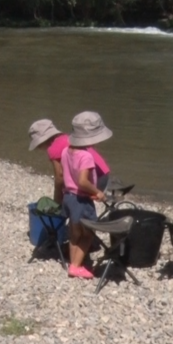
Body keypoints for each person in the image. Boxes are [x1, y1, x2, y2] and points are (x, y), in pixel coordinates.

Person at [60, 111, 113, 280]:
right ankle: (76, 266)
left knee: (74, 233)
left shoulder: (66, 151)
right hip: (81, 199)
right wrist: (97, 192)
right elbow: (83, 181)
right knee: (88, 233)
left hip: (68, 196)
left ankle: (73, 263)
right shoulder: (87, 156)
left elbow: (67, 176)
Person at [28, 119, 111, 204]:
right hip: (103, 173)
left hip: (93, 179)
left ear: (43, 141)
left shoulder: (53, 148)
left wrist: (57, 200)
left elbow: (59, 177)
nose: (39, 148)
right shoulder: (69, 138)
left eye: (38, 145)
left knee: (69, 192)